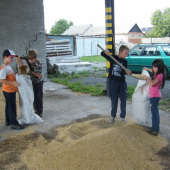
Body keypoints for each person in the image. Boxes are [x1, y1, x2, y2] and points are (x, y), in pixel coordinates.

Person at [101, 45, 131, 124]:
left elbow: (124, 71)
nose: (126, 55)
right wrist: (105, 51)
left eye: (127, 54)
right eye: (125, 53)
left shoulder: (125, 61)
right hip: (114, 82)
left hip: (122, 83)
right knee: (114, 100)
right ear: (120, 52)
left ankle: (122, 117)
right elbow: (102, 54)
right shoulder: (112, 57)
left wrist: (127, 72)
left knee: (123, 100)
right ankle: (113, 116)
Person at [0, 49, 24, 130]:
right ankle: (14, 123)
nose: (12, 59)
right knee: (12, 106)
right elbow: (1, 80)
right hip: (9, 90)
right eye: (11, 58)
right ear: (5, 57)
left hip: (9, 90)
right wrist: (13, 83)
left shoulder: (8, 65)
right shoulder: (4, 68)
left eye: (13, 58)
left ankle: (8, 121)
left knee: (8, 105)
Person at [16, 49, 44, 117]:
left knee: (38, 96)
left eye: (32, 60)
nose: (30, 61)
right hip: (30, 80)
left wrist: (30, 70)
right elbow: (17, 56)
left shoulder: (38, 63)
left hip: (37, 81)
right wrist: (18, 61)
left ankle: (39, 112)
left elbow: (39, 75)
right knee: (32, 95)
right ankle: (34, 109)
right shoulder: (27, 56)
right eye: (29, 59)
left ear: (36, 58)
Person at [143, 59, 165, 136]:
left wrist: (148, 78)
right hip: (154, 96)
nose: (153, 69)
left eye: (155, 67)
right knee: (155, 113)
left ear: (160, 67)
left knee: (154, 114)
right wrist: (146, 69)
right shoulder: (156, 73)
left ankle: (155, 130)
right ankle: (156, 127)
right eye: (153, 67)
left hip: (154, 97)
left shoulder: (160, 75)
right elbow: (152, 71)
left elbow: (152, 83)